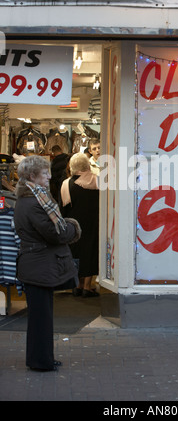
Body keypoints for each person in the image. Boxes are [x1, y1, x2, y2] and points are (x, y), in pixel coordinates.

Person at [14, 155, 81, 372]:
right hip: (39, 265)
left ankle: (42, 359)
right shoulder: (34, 202)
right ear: (32, 176)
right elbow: (55, 233)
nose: (49, 177)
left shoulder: (31, 198)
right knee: (41, 318)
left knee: (40, 317)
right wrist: (73, 227)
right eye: (45, 173)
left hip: (37, 264)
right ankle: (41, 362)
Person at [60, 152, 100, 297]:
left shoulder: (67, 184)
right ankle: (88, 287)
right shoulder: (97, 181)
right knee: (90, 252)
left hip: (74, 225)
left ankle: (78, 284)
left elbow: (62, 208)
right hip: (93, 223)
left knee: (76, 253)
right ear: (87, 165)